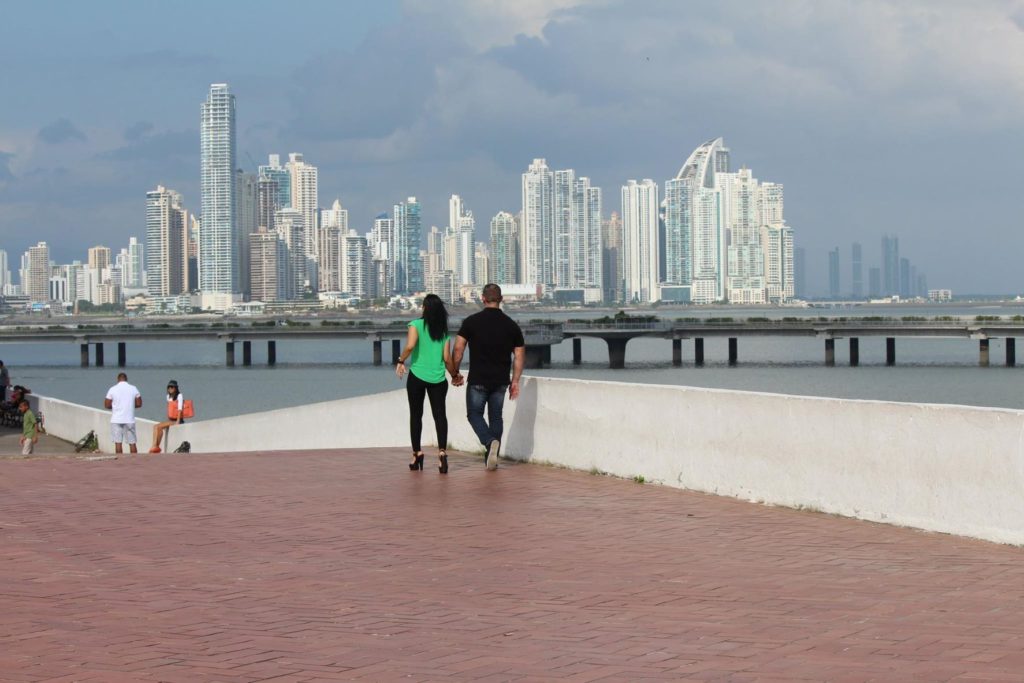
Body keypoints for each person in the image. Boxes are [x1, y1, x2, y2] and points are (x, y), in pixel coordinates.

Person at [451, 283, 525, 470]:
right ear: (501, 300)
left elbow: (458, 349)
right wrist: (515, 381)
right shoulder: (511, 325)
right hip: (501, 380)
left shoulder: (471, 322)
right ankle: (492, 458)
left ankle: (489, 441)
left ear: (483, 299)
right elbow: (519, 355)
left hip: (478, 379)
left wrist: (455, 372)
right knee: (496, 418)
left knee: (474, 414)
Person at [396, 294, 458, 474]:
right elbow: (447, 359)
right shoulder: (444, 333)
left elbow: (410, 346)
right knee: (440, 416)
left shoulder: (415, 325)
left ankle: (417, 453)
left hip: (417, 377)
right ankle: (442, 453)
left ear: (424, 308)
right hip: (438, 379)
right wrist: (455, 375)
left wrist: (400, 361)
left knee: (416, 415)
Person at [104, 372, 142, 455]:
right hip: (129, 419)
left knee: (118, 442)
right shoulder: (133, 388)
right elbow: (139, 404)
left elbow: (106, 405)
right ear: (126, 379)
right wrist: (130, 406)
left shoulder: (113, 389)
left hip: (116, 419)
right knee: (132, 442)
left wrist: (115, 407)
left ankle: (120, 461)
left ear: (118, 380)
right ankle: (134, 461)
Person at [149, 380, 184, 454]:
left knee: (156, 426)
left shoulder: (179, 395)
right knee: (158, 427)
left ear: (176, 388)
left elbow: (180, 409)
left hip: (177, 420)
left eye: (172, 387)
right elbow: (170, 409)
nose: (170, 389)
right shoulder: (168, 396)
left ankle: (154, 446)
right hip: (171, 419)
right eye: (169, 387)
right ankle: (156, 446)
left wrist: (177, 421)